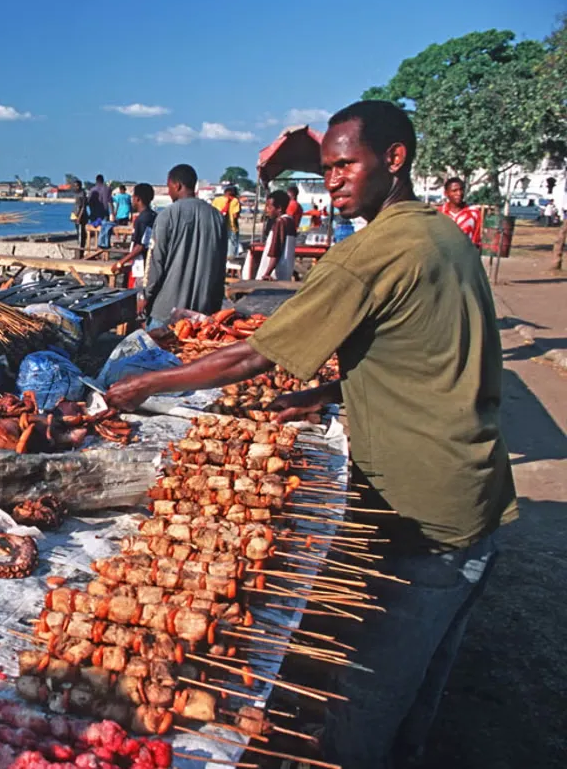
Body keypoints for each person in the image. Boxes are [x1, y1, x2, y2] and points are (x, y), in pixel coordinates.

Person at [107, 100, 515, 769]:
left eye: (345, 164)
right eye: (325, 169)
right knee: (420, 693)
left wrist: (144, 384)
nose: (332, 181)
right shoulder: (442, 235)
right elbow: (429, 353)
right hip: (475, 493)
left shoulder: (374, 251)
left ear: (395, 158)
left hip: (425, 517)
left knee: (364, 703)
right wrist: (329, 392)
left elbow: (252, 355)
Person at [142, 164, 228, 328]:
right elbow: (220, 267)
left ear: (177, 185)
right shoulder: (217, 218)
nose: (169, 192)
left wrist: (145, 296)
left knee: (155, 352)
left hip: (166, 312)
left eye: (169, 187)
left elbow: (155, 263)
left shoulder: (167, 215)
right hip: (203, 311)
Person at [241, 190, 297, 281]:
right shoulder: (290, 221)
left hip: (274, 273)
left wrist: (267, 273)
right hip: (286, 270)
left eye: (269, 207)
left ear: (279, 208)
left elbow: (275, 250)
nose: (267, 210)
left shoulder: (280, 222)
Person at [111, 183, 156, 289]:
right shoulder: (154, 215)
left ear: (137, 199)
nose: (131, 200)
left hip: (143, 265)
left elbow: (140, 246)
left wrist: (121, 262)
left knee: (138, 293)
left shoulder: (142, 219)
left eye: (133, 197)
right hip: (152, 264)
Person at [437, 177, 482, 247]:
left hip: (466, 255)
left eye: (461, 190)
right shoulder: (439, 213)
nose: (459, 193)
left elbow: (476, 240)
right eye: (454, 190)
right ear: (446, 193)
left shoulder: (474, 213)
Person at [210, 185, 242, 258]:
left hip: (218, 227)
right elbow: (235, 216)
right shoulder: (235, 200)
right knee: (231, 250)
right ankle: (229, 263)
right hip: (231, 227)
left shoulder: (216, 200)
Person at [71, 180, 89, 248]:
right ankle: (79, 245)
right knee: (78, 232)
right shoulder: (75, 194)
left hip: (82, 216)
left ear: (80, 186)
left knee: (81, 233)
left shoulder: (82, 193)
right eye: (75, 186)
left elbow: (83, 207)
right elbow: (76, 205)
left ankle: (81, 248)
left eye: (77, 186)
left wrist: (79, 217)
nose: (75, 187)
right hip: (75, 214)